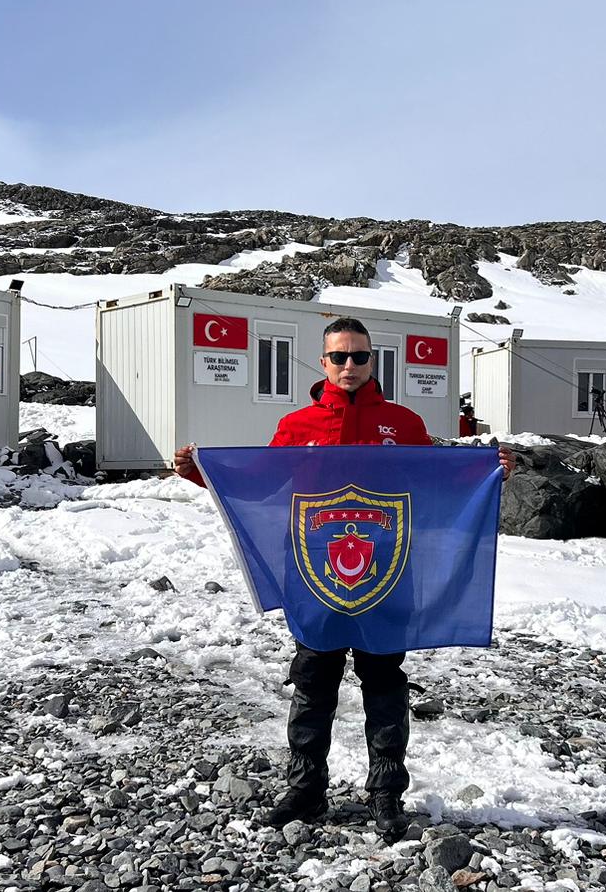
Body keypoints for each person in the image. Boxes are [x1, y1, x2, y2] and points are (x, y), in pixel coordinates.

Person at [172, 317, 515, 842]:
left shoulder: (402, 423)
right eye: (339, 357)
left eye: (359, 356)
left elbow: (431, 483)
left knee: (384, 682)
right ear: (324, 361)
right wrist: (200, 470)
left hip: (387, 568)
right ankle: (306, 791)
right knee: (313, 680)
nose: (349, 366)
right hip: (313, 569)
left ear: (373, 361)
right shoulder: (298, 426)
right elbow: (262, 481)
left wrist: (488, 471)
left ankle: (385, 796)